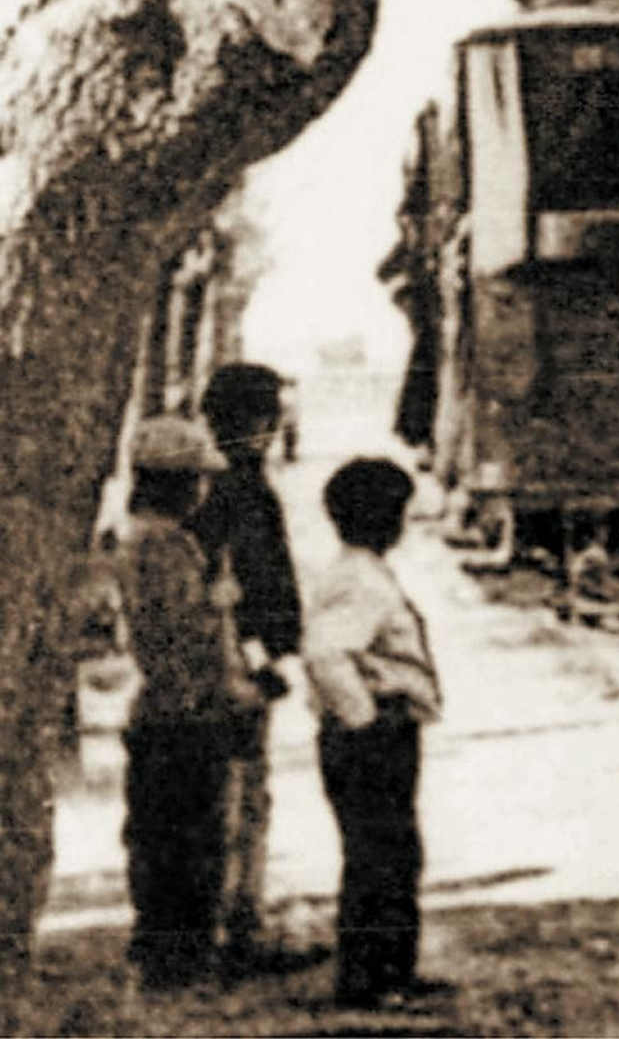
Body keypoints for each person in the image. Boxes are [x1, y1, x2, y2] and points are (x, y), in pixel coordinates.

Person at [303, 459, 447, 1010]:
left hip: (380, 728)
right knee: (379, 852)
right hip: (373, 732)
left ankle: (392, 969)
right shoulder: (359, 581)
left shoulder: (360, 572)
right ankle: (372, 979)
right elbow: (326, 652)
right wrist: (362, 717)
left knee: (392, 850)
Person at [114, 415, 238, 991]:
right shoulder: (163, 544)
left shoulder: (138, 537)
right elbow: (179, 633)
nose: (203, 489)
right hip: (182, 712)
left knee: (160, 835)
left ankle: (169, 951)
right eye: (195, 479)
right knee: (186, 839)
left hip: (162, 710)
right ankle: (179, 959)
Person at [193, 362, 302, 971]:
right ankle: (238, 926)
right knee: (240, 791)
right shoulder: (242, 491)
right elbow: (253, 586)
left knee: (226, 791)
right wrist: (269, 658)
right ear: (259, 422)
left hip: (223, 659)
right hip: (239, 664)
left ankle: (229, 920)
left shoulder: (211, 486)